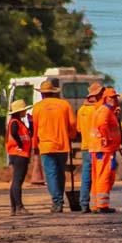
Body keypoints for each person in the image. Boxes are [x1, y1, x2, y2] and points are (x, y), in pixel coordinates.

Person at [31, 79, 76, 213]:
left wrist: (34, 146)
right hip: (63, 145)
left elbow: (34, 128)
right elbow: (73, 124)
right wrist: (71, 136)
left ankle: (57, 202)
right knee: (60, 173)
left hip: (46, 146)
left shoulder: (37, 107)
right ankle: (59, 199)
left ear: (43, 94)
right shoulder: (64, 105)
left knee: (51, 174)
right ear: (54, 92)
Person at [90, 87, 121, 213]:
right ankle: (102, 205)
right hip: (104, 149)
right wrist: (107, 138)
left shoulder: (105, 110)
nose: (114, 99)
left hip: (99, 148)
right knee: (104, 176)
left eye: (115, 97)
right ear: (105, 98)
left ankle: (96, 205)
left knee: (98, 176)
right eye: (111, 97)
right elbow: (102, 124)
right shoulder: (104, 111)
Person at [76, 83, 104, 214]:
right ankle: (98, 205)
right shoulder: (98, 109)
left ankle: (84, 204)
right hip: (97, 147)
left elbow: (79, 129)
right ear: (97, 94)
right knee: (99, 176)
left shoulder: (81, 110)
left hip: (85, 146)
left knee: (86, 176)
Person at [6, 99, 33, 216]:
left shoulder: (18, 122)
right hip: (19, 154)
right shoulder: (15, 122)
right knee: (18, 180)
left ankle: (14, 208)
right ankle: (19, 207)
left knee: (16, 181)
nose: (24, 112)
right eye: (23, 110)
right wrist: (20, 145)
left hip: (18, 154)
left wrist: (31, 123)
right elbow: (14, 132)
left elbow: (29, 134)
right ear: (19, 112)